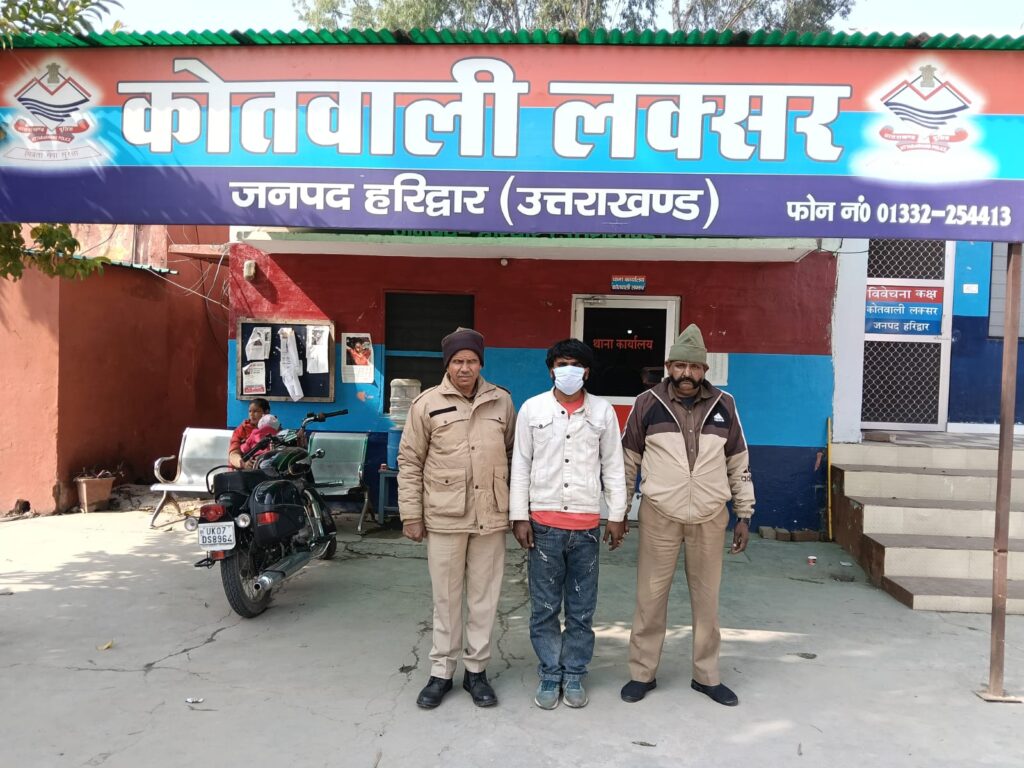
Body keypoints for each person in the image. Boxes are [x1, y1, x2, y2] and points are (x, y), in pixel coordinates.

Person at [619, 324, 754, 708]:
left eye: (694, 367)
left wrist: (743, 514)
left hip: (710, 516)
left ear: (704, 370)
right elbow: (628, 461)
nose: (686, 374)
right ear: (668, 367)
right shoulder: (646, 403)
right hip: (659, 514)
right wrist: (618, 512)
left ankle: (706, 675)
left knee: (707, 601)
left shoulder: (724, 405)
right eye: (679, 366)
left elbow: (738, 461)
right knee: (650, 598)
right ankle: (642, 673)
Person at [397, 327, 516, 710]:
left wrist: (516, 510)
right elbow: (410, 461)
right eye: (458, 361)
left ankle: (476, 672)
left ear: (481, 363)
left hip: (491, 516)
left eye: (472, 361)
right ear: (447, 364)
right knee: (446, 599)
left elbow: (514, 456)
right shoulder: (426, 404)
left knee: (484, 598)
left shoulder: (502, 401)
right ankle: (442, 672)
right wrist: (411, 514)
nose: (465, 368)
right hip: (445, 516)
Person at [509, 339, 626, 710]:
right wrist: (519, 515)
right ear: (551, 370)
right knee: (544, 607)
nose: (568, 371)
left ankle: (574, 672)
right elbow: (521, 464)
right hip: (543, 526)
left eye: (576, 364)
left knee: (581, 608)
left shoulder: (603, 411)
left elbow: (614, 465)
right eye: (562, 364)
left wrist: (617, 514)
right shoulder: (533, 409)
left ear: (586, 372)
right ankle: (549, 671)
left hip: (586, 526)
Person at [228, 398, 270, 469]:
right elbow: (233, 454)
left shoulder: (273, 429)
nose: (251, 415)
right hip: (241, 472)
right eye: (250, 411)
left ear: (266, 412)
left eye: (256, 411)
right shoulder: (241, 430)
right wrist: (243, 463)